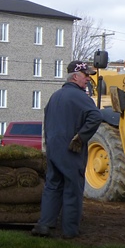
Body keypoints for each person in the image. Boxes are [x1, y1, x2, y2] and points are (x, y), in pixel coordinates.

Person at [31, 61, 103, 239]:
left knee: (53, 186)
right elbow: (96, 116)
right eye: (86, 76)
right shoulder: (80, 97)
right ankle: (70, 231)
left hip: (53, 149)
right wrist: (81, 137)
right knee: (72, 188)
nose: (87, 79)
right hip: (71, 150)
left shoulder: (55, 96)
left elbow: (47, 123)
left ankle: (45, 224)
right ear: (75, 76)